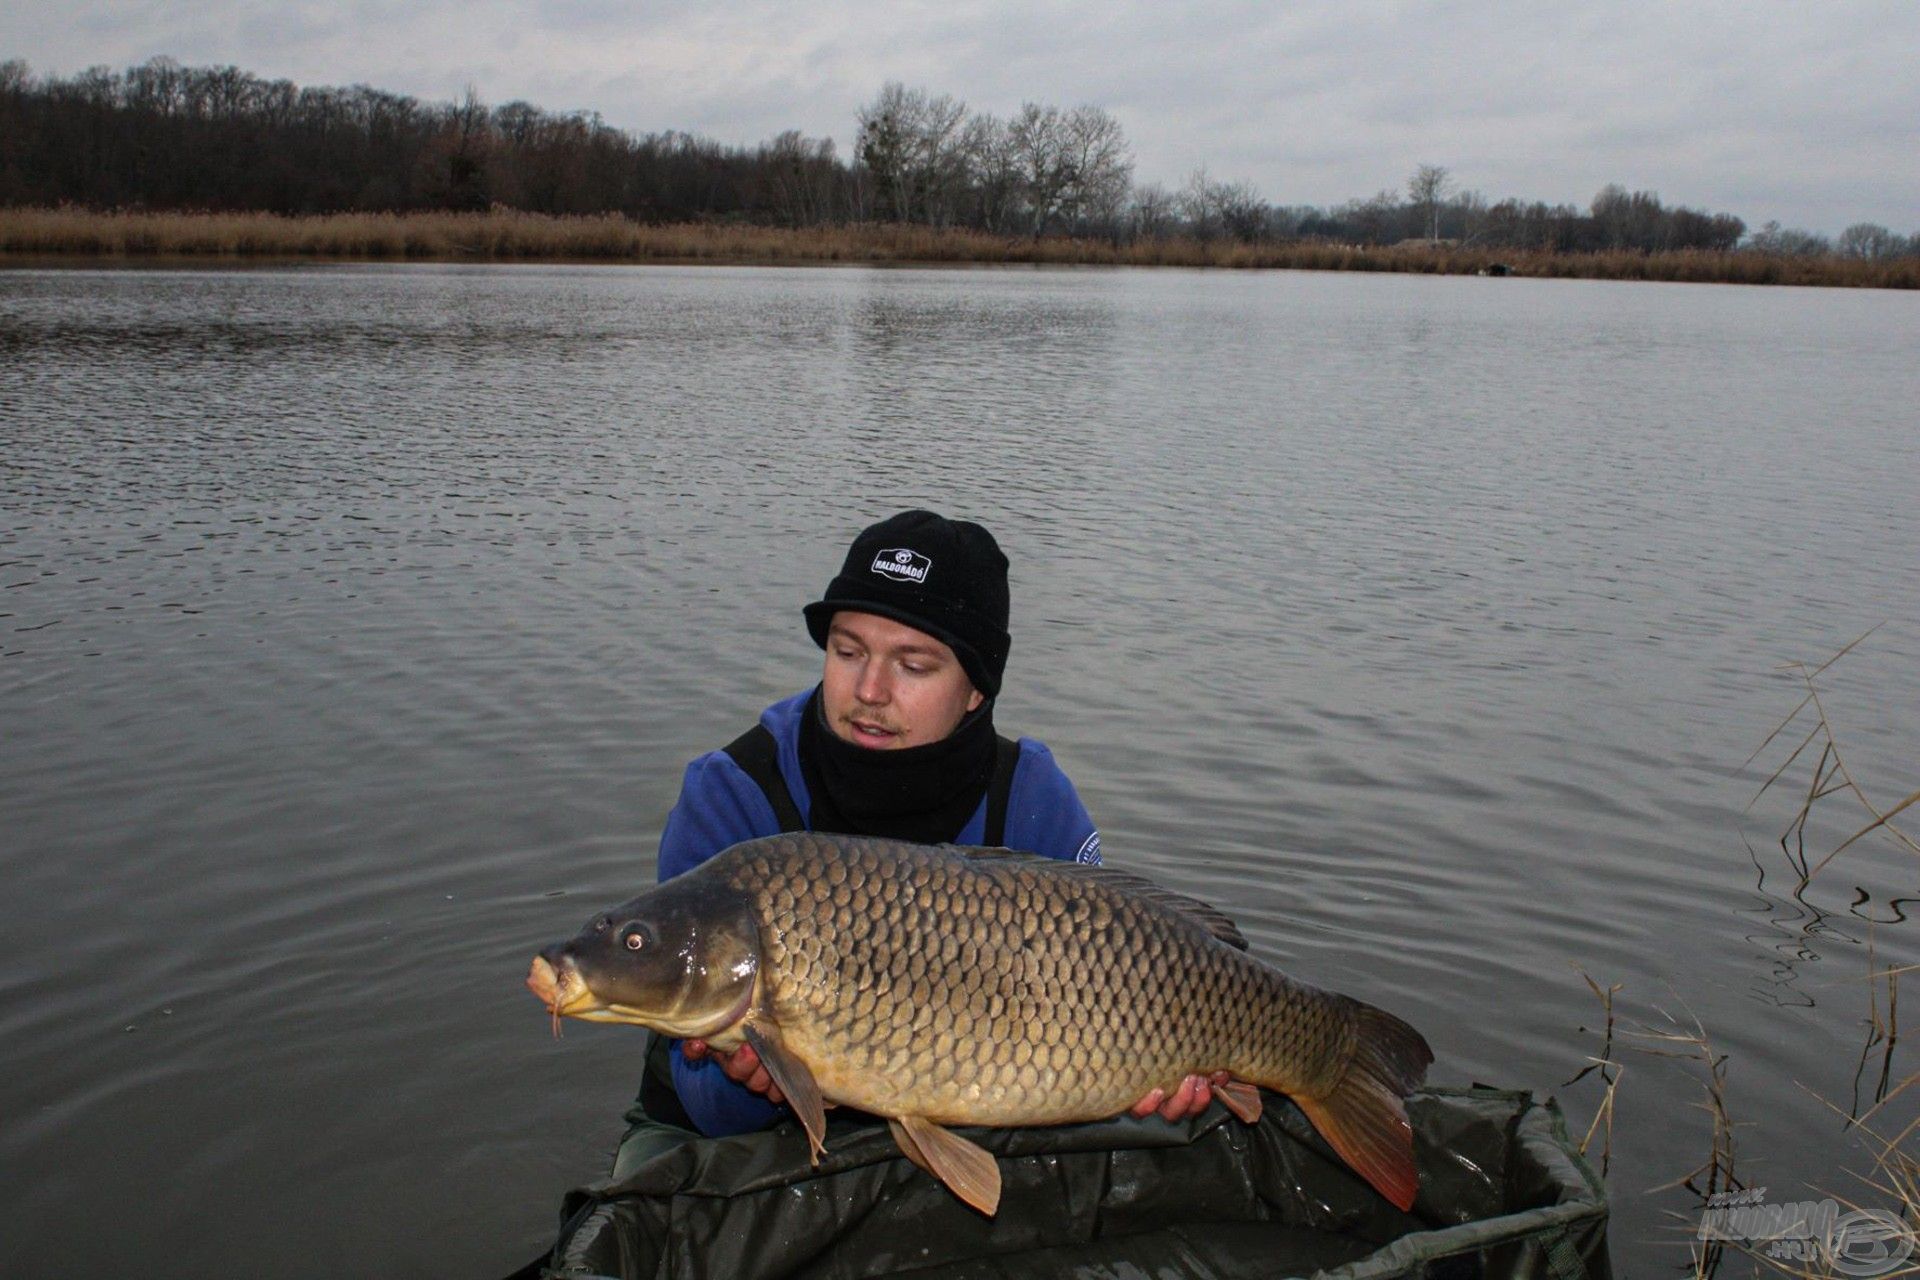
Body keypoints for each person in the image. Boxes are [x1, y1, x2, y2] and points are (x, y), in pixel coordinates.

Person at [647, 508, 1224, 1144]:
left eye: (913, 666)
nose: (869, 689)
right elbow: (700, 1103)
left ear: (976, 688)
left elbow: (1115, 987)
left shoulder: (1031, 798)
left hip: (988, 1119)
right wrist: (756, 1083)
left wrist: (1149, 1071)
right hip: (733, 1153)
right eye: (847, 651)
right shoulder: (735, 793)